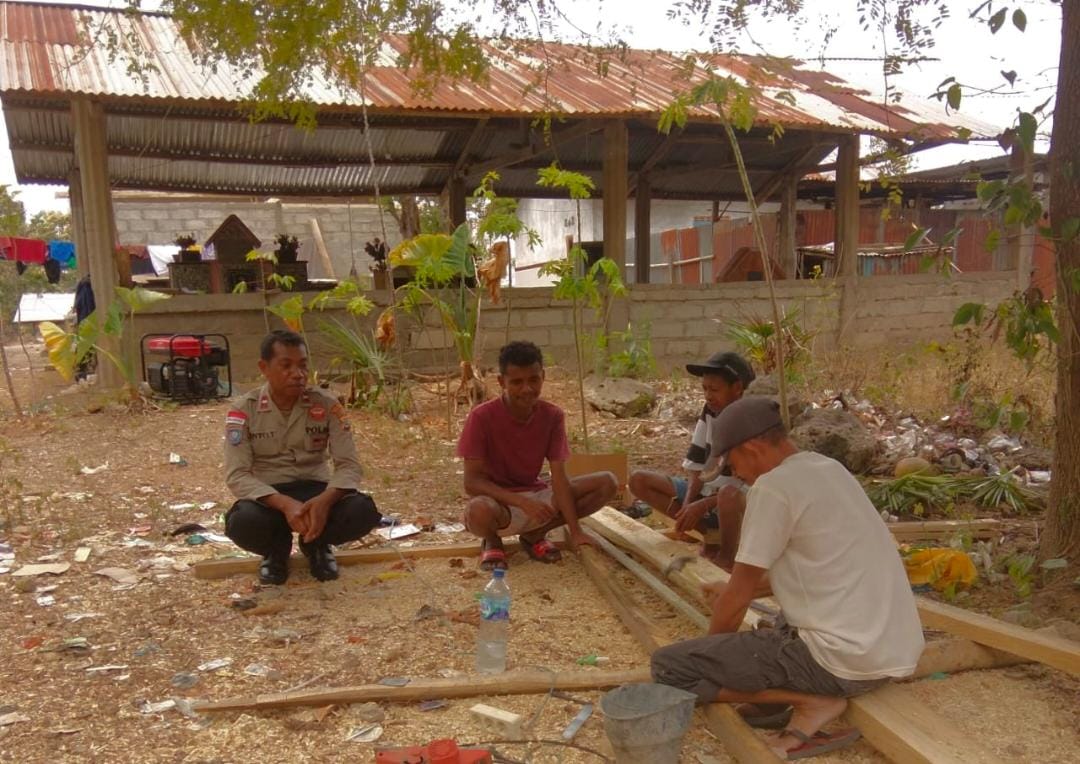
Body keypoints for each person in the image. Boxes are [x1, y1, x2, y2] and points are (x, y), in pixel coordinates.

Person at [651, 396, 925, 759]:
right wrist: (735, 590)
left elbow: (739, 595)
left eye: (733, 465)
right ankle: (772, 701)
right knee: (778, 623)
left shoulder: (773, 487)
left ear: (751, 448)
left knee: (671, 666)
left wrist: (714, 657)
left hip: (843, 665)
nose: (739, 476)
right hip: (891, 655)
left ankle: (812, 702)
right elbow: (820, 567)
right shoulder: (828, 468)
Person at [223, 330, 382, 585]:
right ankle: (275, 551)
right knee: (242, 522)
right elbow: (237, 474)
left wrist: (325, 502)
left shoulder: (327, 404)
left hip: (316, 491)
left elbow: (349, 465)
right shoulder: (244, 410)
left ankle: (317, 546)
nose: (298, 374)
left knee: (362, 510)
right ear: (264, 367)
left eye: (303, 365)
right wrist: (285, 504)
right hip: (270, 498)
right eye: (286, 365)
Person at [458, 340, 618, 570]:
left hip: (538, 496)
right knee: (477, 510)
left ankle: (535, 535)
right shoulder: (481, 417)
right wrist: (521, 502)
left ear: (543, 376)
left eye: (533, 380)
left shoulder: (552, 416)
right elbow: (471, 483)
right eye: (517, 382)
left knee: (607, 483)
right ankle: (492, 541)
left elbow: (559, 477)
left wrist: (576, 532)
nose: (527, 389)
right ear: (502, 382)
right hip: (499, 503)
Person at [628, 351, 755, 568]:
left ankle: (727, 556)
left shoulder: (750, 420)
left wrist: (703, 504)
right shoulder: (710, 412)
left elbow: (751, 487)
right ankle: (712, 537)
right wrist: (688, 504)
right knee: (638, 480)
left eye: (714, 389)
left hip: (739, 504)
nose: (708, 395)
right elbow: (697, 464)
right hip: (710, 497)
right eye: (705, 389)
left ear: (737, 388)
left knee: (728, 495)